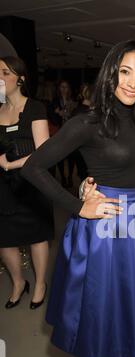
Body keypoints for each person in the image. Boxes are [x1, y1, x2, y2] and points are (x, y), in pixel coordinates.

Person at [21, 40, 135, 357]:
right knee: (103, 300)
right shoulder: (88, 122)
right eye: (125, 72)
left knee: (130, 295)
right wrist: (77, 204)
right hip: (105, 225)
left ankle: (120, 349)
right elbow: (34, 167)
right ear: (111, 73)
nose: (133, 82)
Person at [0, 56, 54, 309]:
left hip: (30, 183)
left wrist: (10, 164)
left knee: (36, 236)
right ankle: (19, 282)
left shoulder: (35, 108)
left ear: (20, 78)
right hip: (2, 187)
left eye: (4, 72)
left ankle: (40, 283)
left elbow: (43, 152)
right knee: (5, 239)